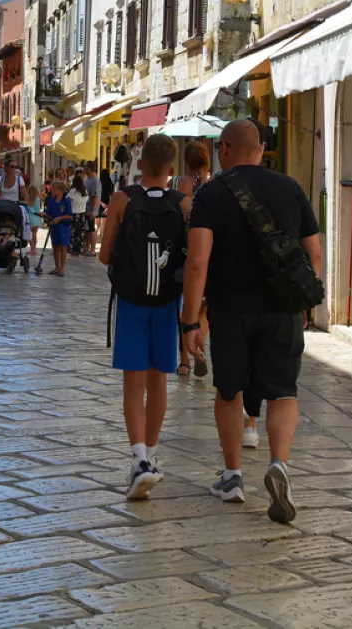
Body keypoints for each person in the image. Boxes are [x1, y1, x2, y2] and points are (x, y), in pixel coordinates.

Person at [181, 120, 322, 521]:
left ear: (223, 149)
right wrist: (304, 302)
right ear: (261, 148)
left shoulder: (210, 194)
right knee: (282, 391)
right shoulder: (291, 188)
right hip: (283, 310)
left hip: (230, 311)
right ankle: (278, 463)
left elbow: (197, 263)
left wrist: (191, 321)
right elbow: (313, 254)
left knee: (229, 392)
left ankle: (232, 476)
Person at [98, 134, 189, 499]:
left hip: (133, 301)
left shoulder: (122, 200)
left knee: (133, 385)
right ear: (171, 168)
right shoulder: (184, 204)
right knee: (159, 382)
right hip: (167, 303)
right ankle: (151, 455)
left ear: (139, 163)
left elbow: (105, 255)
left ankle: (138, 460)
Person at [175, 141, 213, 379]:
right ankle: (201, 349)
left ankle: (185, 361)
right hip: (206, 253)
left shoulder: (179, 184)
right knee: (203, 309)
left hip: (182, 252)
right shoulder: (213, 185)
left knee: (185, 307)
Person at [43, 180, 73, 276]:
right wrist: (44, 214)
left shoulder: (66, 201)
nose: (51, 190)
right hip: (54, 227)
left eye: (53, 189)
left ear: (60, 190)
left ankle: (62, 268)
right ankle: (56, 267)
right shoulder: (51, 201)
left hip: (63, 227)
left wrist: (60, 218)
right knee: (55, 246)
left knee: (63, 247)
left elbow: (70, 216)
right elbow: (48, 212)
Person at [68, 171, 89, 255]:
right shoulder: (85, 192)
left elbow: (67, 200)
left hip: (73, 214)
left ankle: (72, 249)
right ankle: (80, 249)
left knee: (72, 233)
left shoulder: (73, 192)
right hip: (82, 214)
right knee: (80, 233)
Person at [83, 161, 102, 257]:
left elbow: (95, 197)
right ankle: (87, 248)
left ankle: (92, 250)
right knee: (87, 230)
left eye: (85, 167)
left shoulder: (94, 181)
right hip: (86, 209)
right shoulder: (88, 180)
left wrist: (93, 210)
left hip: (90, 210)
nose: (84, 169)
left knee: (91, 230)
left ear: (89, 168)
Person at [25, 185, 43, 255]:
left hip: (31, 218)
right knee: (34, 235)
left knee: (29, 235)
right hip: (37, 218)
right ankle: (34, 249)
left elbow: (29, 209)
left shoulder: (29, 200)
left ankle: (32, 248)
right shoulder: (38, 199)